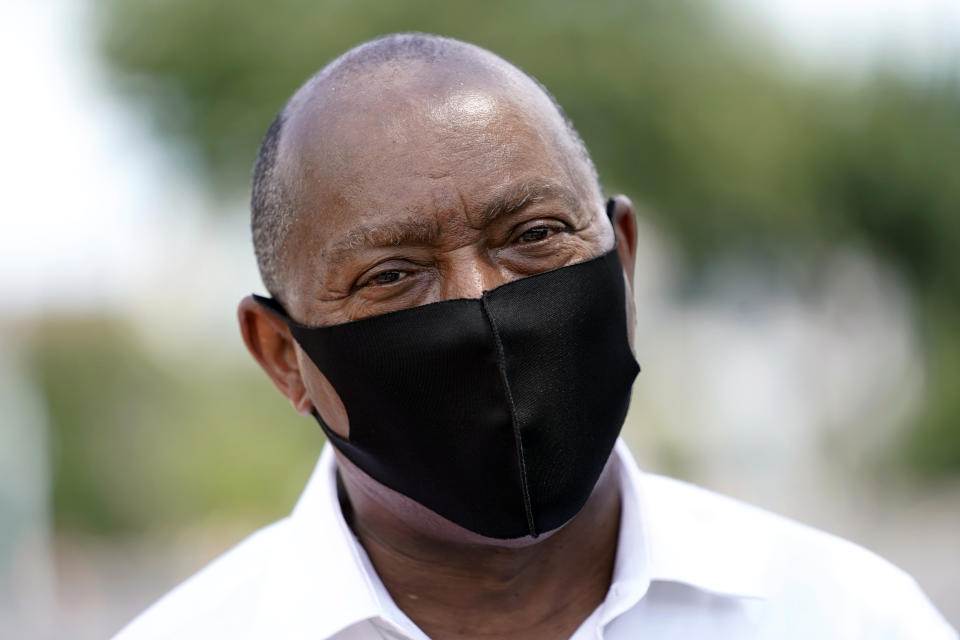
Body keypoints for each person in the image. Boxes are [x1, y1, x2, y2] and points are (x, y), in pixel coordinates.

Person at [116, 33, 956, 640]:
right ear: (283, 355)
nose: (484, 302)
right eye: (391, 274)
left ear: (621, 262)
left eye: (534, 234)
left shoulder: (844, 617)